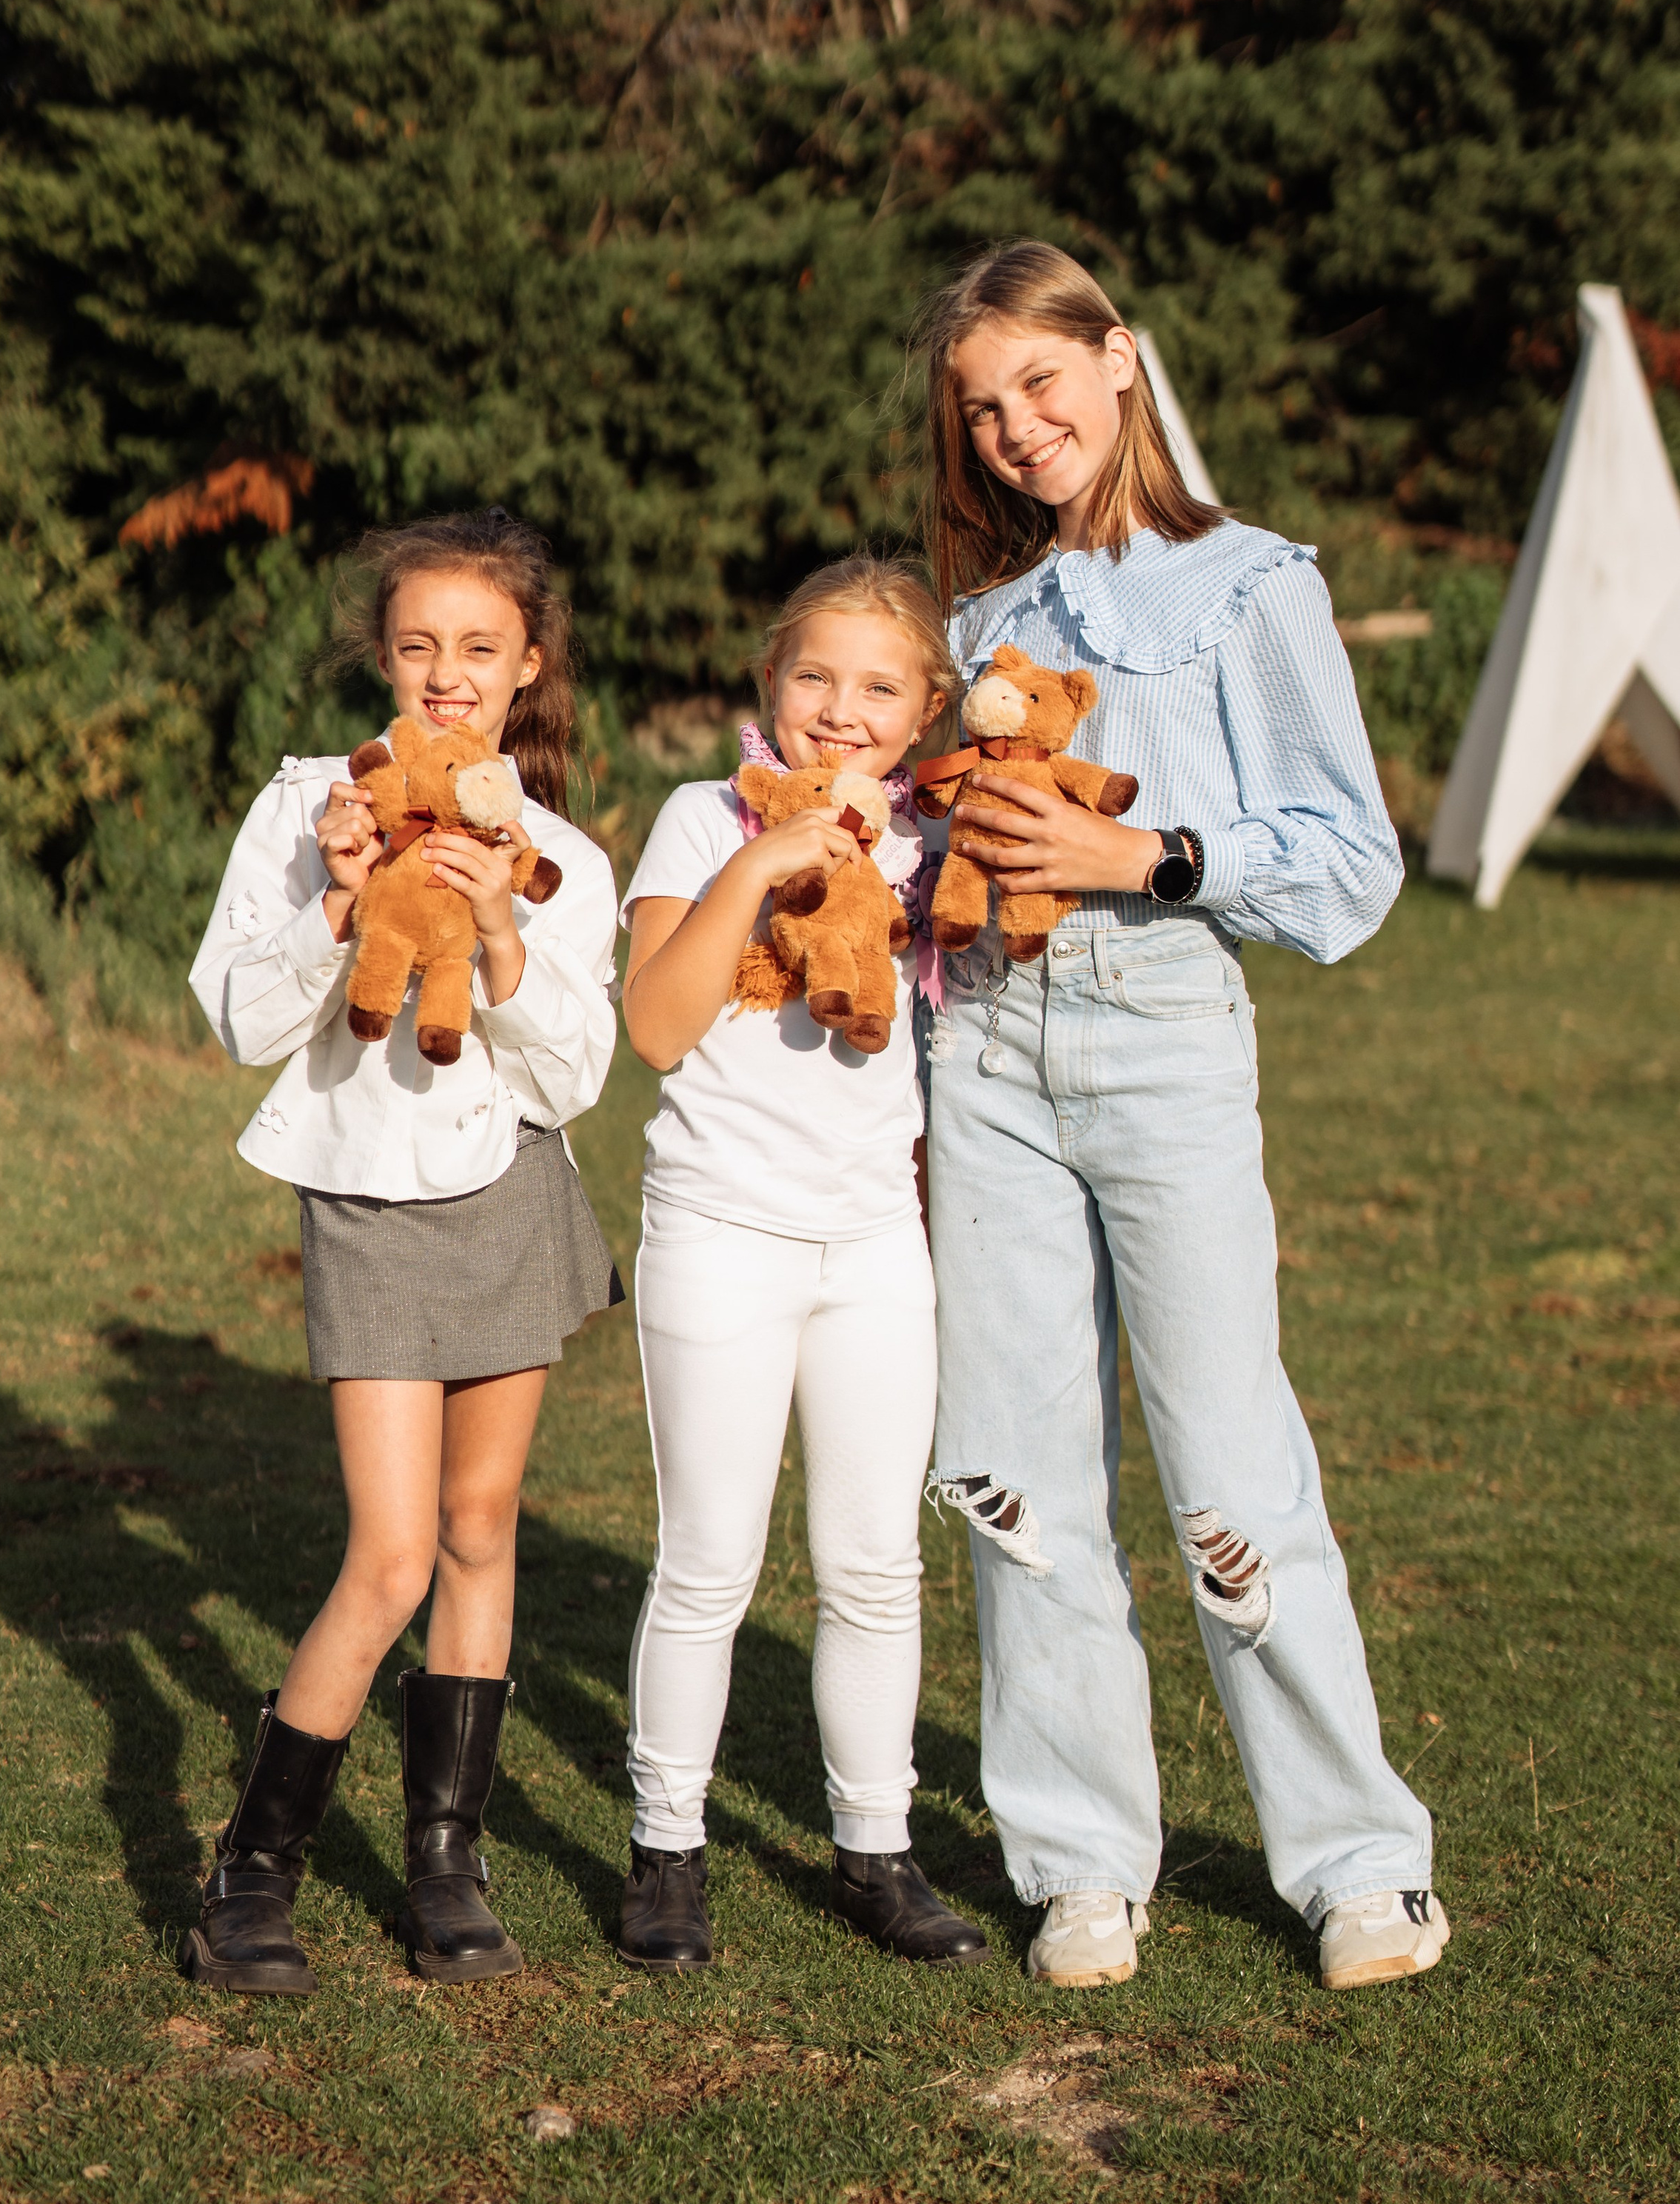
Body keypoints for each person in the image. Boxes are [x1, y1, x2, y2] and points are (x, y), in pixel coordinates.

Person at [915, 243, 1448, 1995]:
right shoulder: (975, 628)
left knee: (1229, 1465)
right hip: (983, 1052)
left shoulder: (1248, 587)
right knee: (1013, 1472)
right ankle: (1078, 1862)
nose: (1013, 427)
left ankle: (1357, 1866)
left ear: (1118, 359)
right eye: (978, 408)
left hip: (1161, 1039)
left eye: (1036, 382)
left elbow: (1352, 861)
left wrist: (1141, 852)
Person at [184, 511, 620, 1994]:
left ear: (528, 666)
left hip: (508, 1192)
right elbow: (243, 1022)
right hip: (365, 1198)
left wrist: (498, 937)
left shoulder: (559, 857)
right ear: (383, 653)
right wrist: (337, 899)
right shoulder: (307, 805)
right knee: (389, 1554)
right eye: (419, 644)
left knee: (480, 1527)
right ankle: (250, 1875)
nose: (447, 676)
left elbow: (573, 1076)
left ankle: (447, 1866)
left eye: (479, 649)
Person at [615, 555, 988, 1974]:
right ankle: (666, 1851)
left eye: (880, 687)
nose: (843, 710)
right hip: (721, 1233)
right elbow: (656, 1026)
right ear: (770, 681)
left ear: (926, 710)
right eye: (815, 676)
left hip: (874, 1246)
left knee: (875, 1566)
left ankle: (876, 1852)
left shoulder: (932, 844)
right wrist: (761, 865)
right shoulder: (701, 816)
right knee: (709, 1563)